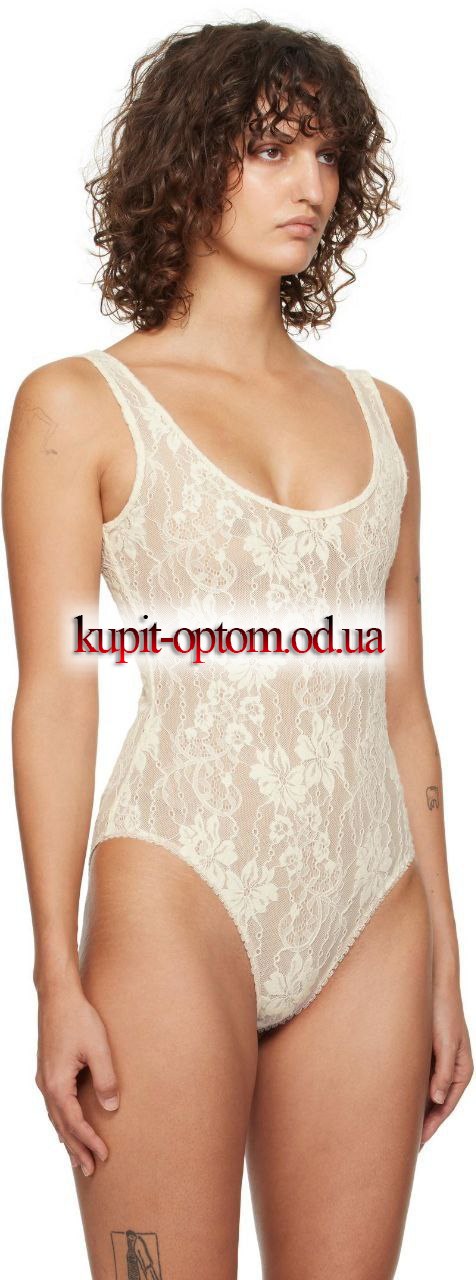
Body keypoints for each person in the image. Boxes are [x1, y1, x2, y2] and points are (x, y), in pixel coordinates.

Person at [2, 18, 473, 1280]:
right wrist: (53, 975)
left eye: (326, 153)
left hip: (372, 902)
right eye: (269, 149)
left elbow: (403, 699)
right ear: (187, 155)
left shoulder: (384, 415)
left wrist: (445, 957)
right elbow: (55, 695)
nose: (308, 183)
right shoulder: (76, 403)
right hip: (178, 887)